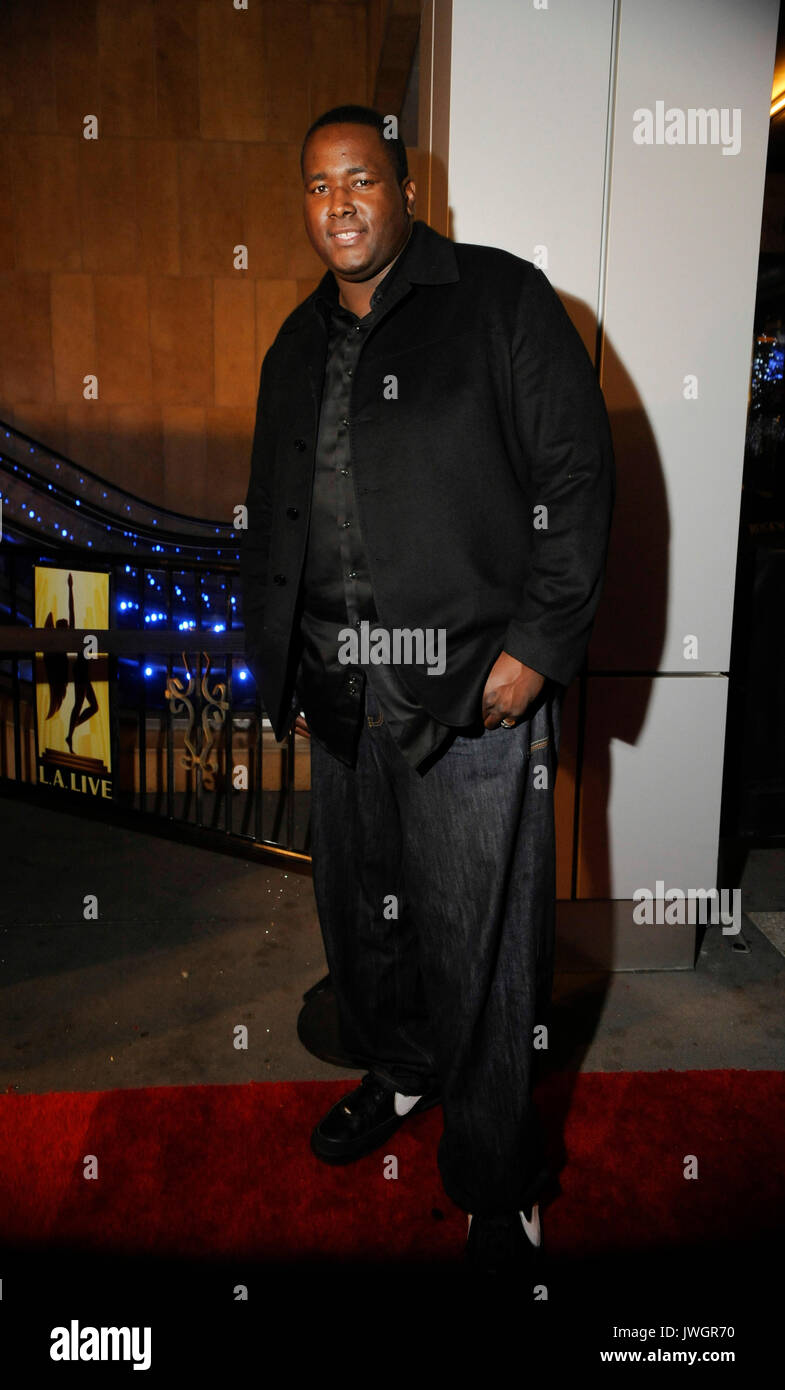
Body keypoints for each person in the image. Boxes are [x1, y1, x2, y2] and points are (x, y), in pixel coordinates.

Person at [241, 104, 614, 1279]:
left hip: (470, 697)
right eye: (315, 186)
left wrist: (536, 650)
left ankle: (497, 1184)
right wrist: (283, 665)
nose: (336, 203)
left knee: (486, 951)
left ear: (405, 189)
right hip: (340, 695)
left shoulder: (499, 302)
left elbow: (577, 476)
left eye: (358, 179)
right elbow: (281, 521)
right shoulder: (292, 348)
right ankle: (401, 1070)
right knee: (362, 927)